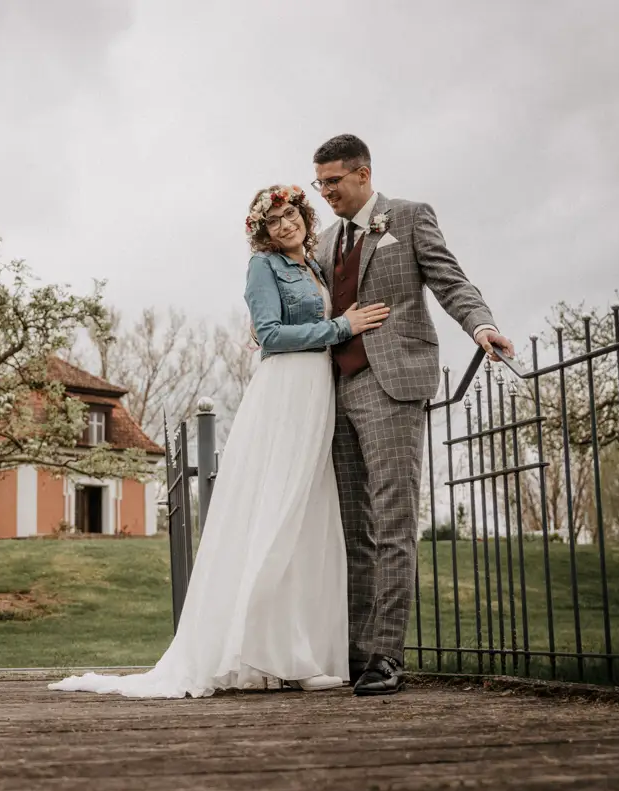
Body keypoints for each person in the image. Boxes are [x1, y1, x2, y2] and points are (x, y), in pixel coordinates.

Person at [47, 184, 389, 698]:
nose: (285, 225)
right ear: (264, 233)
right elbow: (269, 334)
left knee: (309, 518)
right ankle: (267, 652)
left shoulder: (316, 266)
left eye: (290, 215)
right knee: (277, 512)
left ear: (302, 214)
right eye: (273, 222)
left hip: (318, 393)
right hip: (285, 391)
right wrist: (342, 326)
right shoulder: (263, 269)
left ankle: (296, 651)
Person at [311, 134, 513, 696]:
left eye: (334, 182)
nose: (326, 193)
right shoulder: (323, 242)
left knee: (394, 519)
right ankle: (354, 651)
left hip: (393, 384)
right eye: (319, 183)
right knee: (353, 529)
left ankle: (387, 655)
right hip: (334, 389)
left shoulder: (410, 217)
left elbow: (451, 281)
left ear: (364, 174)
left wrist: (480, 326)